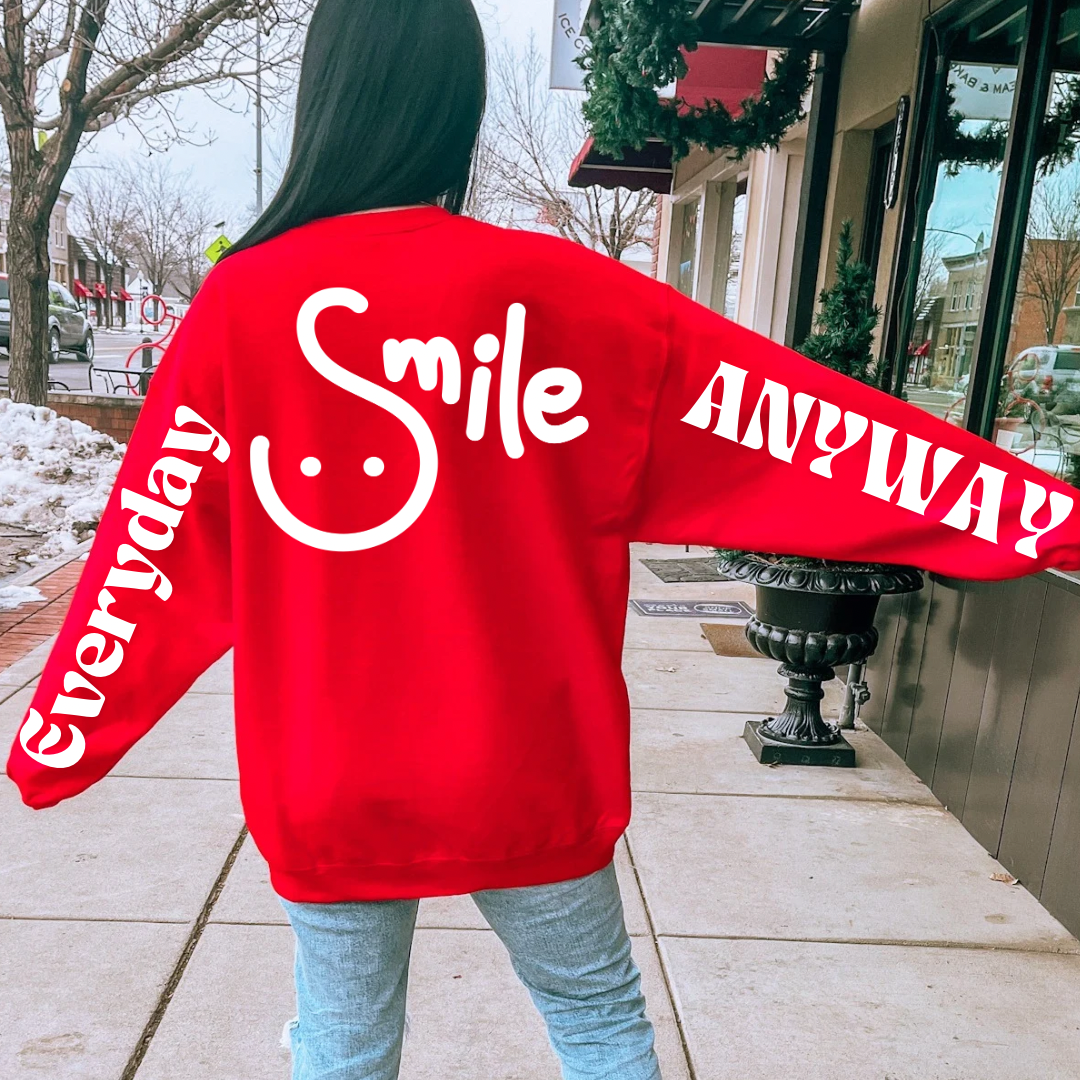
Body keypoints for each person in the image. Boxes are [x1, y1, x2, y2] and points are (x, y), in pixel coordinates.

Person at [7, 1, 1080, 1078]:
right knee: (600, 1025)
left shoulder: (244, 303)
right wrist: (1037, 515)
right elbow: (803, 432)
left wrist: (63, 732)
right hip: (521, 762)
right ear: (458, 107)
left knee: (341, 1041)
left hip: (330, 771)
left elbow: (151, 549)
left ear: (322, 100)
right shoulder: (568, 297)